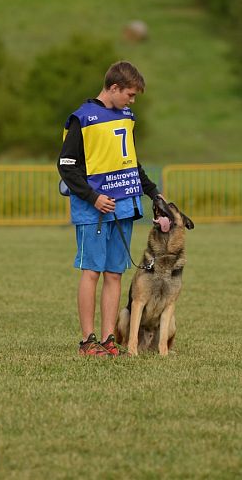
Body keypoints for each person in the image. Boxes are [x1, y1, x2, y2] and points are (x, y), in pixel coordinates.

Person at [57, 61, 171, 357]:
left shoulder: (126, 116)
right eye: (130, 95)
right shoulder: (81, 118)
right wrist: (93, 197)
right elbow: (66, 167)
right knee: (91, 272)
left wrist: (153, 192)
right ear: (114, 88)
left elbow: (131, 162)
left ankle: (108, 339)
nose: (132, 101)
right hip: (93, 208)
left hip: (123, 206)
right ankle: (87, 341)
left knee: (114, 274)